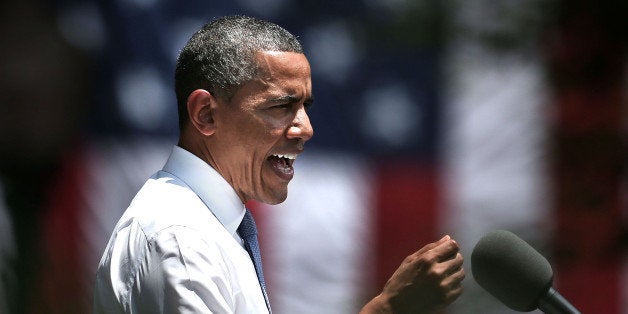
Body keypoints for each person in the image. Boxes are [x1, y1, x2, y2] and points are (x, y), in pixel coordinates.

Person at [93, 15, 465, 313]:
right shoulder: (180, 241)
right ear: (205, 114)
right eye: (281, 107)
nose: (305, 128)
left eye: (306, 107)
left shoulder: (204, 228)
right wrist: (390, 308)